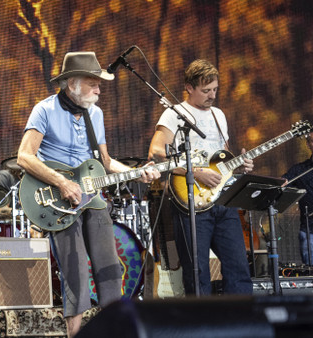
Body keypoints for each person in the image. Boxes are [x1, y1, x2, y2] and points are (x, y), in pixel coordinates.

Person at [17, 51, 160, 337]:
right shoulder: (44, 110)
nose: (99, 89)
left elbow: (105, 163)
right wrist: (62, 182)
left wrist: (138, 172)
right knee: (76, 276)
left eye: (99, 83)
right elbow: (24, 156)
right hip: (58, 200)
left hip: (93, 198)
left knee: (110, 270)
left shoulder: (96, 113)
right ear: (72, 83)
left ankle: (115, 332)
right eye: (93, 83)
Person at [148, 59, 254, 295]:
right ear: (189, 87)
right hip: (191, 201)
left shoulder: (218, 114)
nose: (212, 95)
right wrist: (195, 172)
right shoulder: (173, 114)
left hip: (224, 201)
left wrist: (240, 165)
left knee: (238, 268)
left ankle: (241, 325)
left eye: (215, 89)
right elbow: (156, 154)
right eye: (206, 91)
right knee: (197, 274)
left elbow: (222, 159)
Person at [282, 131, 313, 265]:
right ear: (308, 144)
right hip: (309, 230)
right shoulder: (299, 170)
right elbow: (281, 183)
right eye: (312, 140)